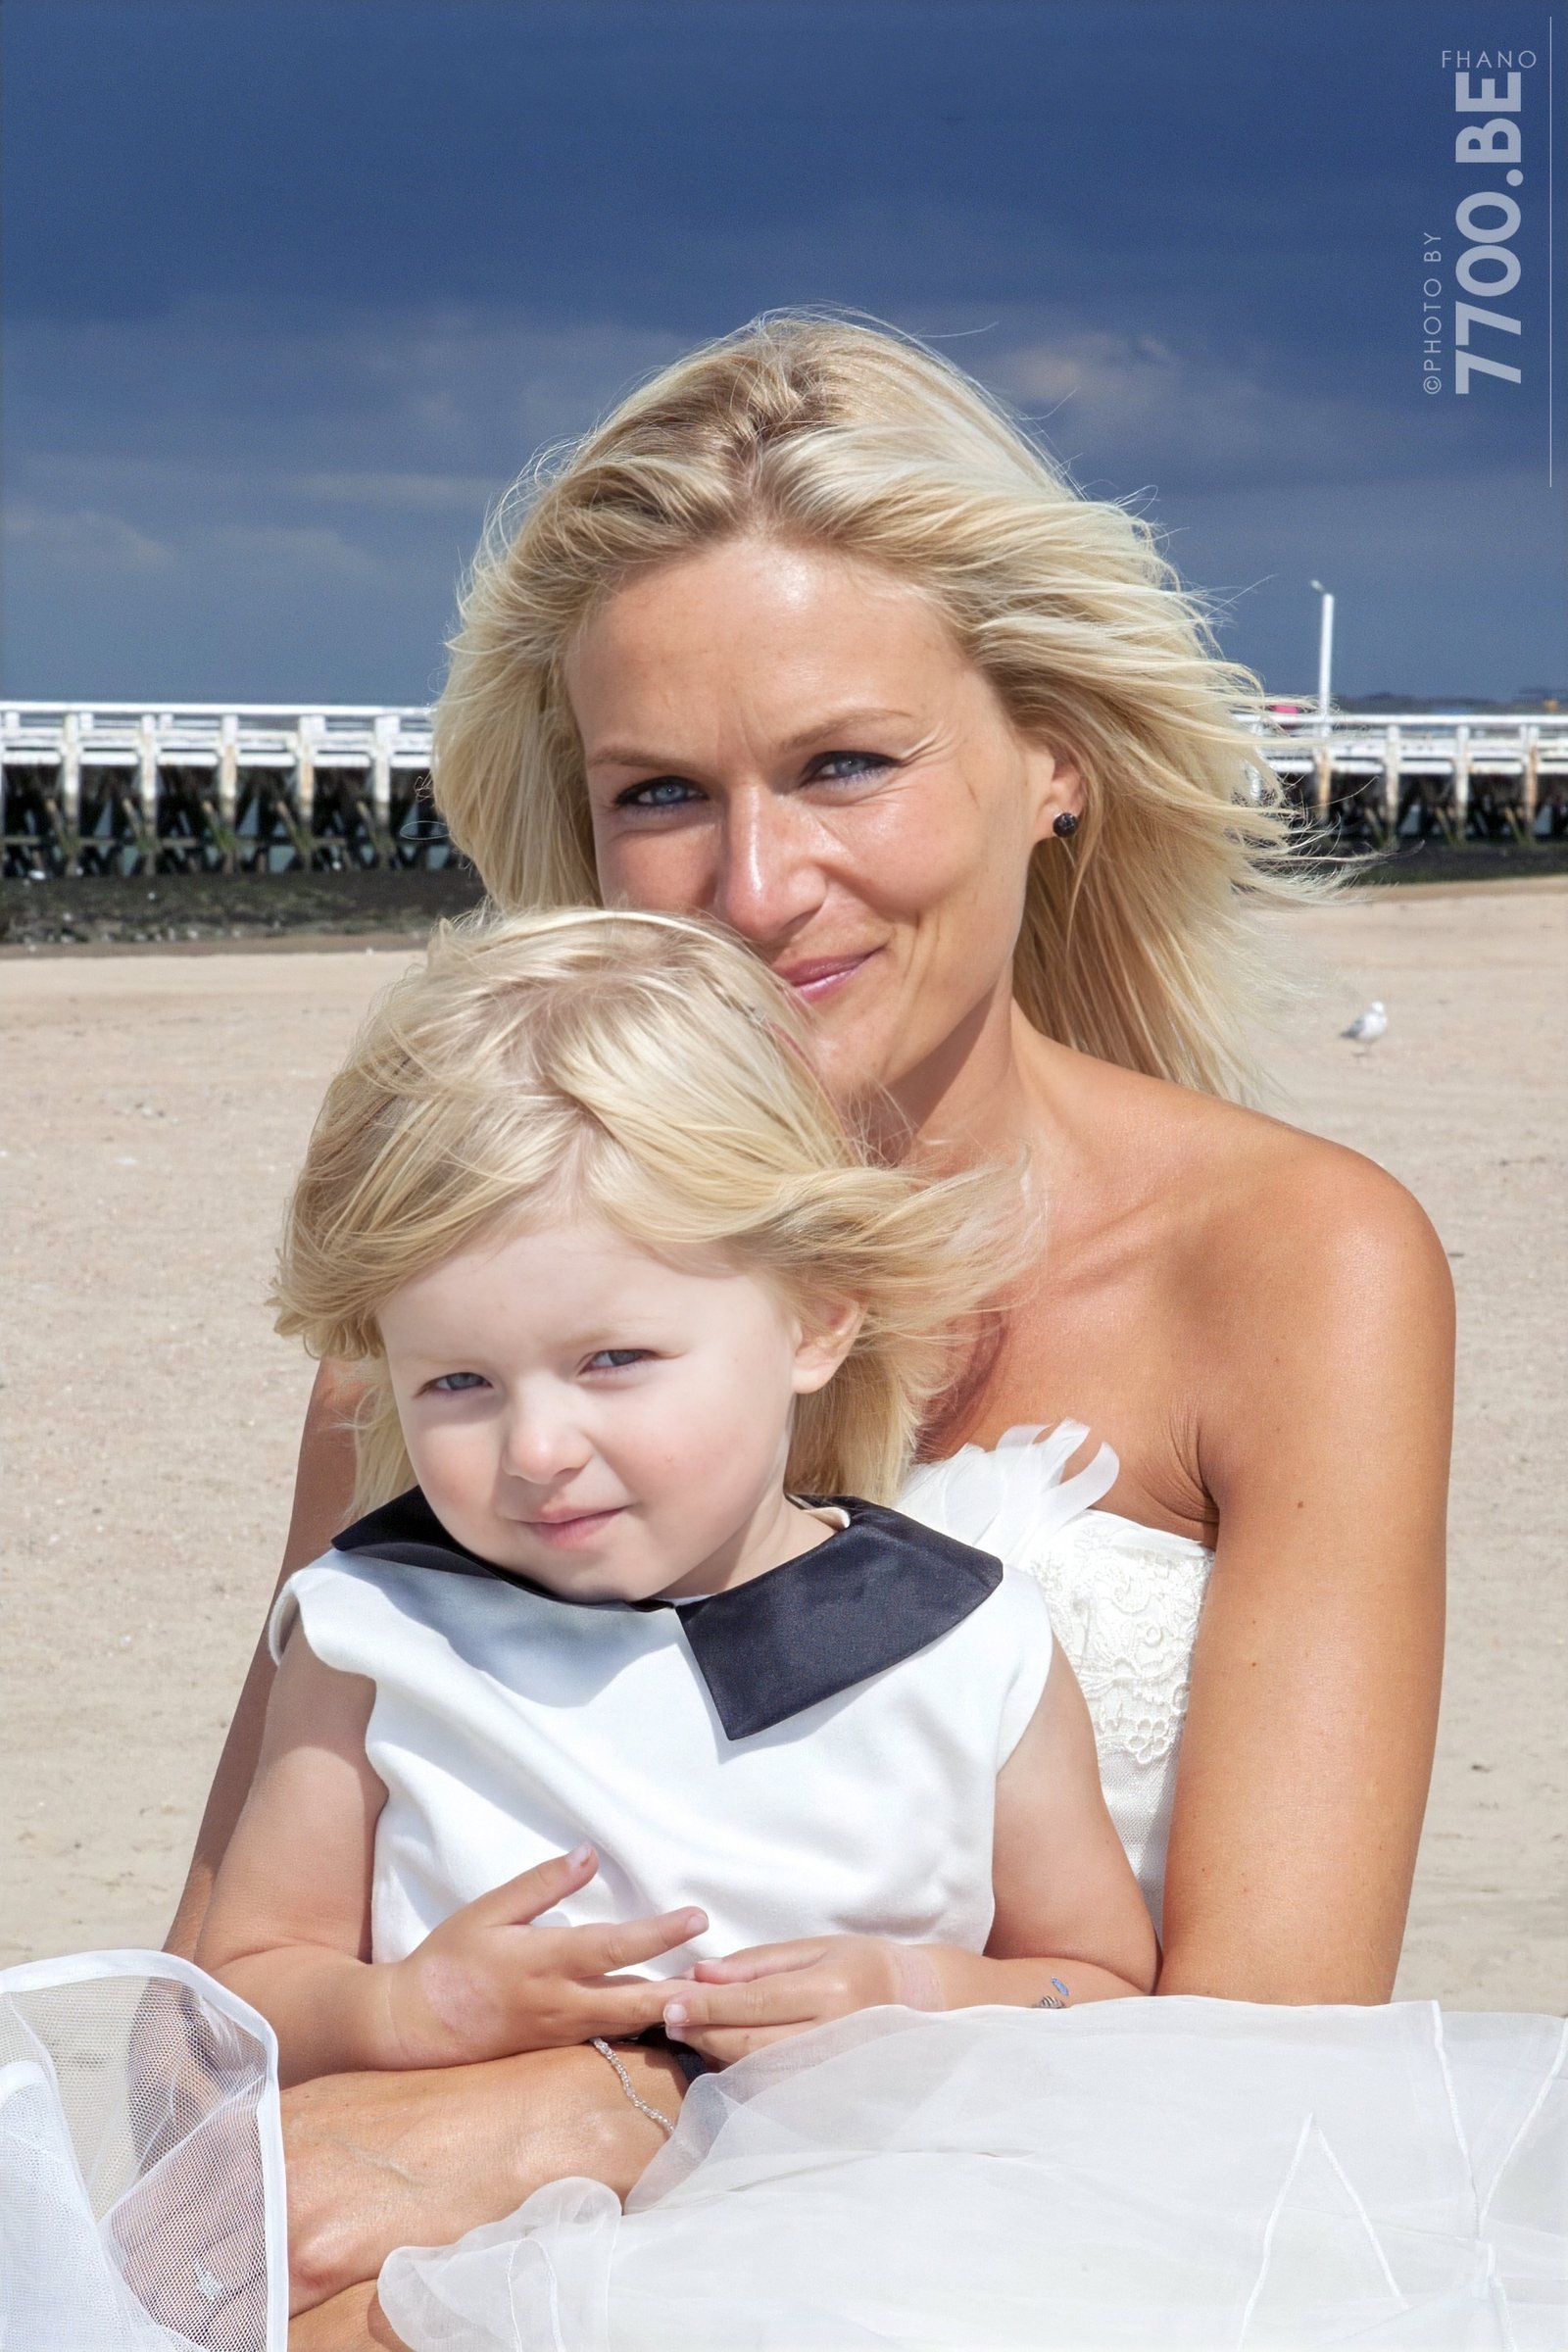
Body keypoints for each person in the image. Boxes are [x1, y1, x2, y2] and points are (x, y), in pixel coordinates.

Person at [167, 317, 1457, 2339]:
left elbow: (1265, 2072)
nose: (755, 888)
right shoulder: (463, 1306)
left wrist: (613, 2103)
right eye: (660, 793)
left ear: (1054, 759)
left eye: (845, 764)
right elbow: (206, 2054)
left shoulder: (1294, 1263)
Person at [194, 907, 1155, 2118]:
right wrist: (406, 2010)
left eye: (613, 1361)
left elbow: (1101, 1984)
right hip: (466, 2206)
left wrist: (913, 1988)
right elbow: (240, 1991)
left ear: (814, 1320)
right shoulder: (376, 1631)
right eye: (458, 1382)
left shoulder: (960, 1640)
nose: (537, 1449)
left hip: (875, 2202)